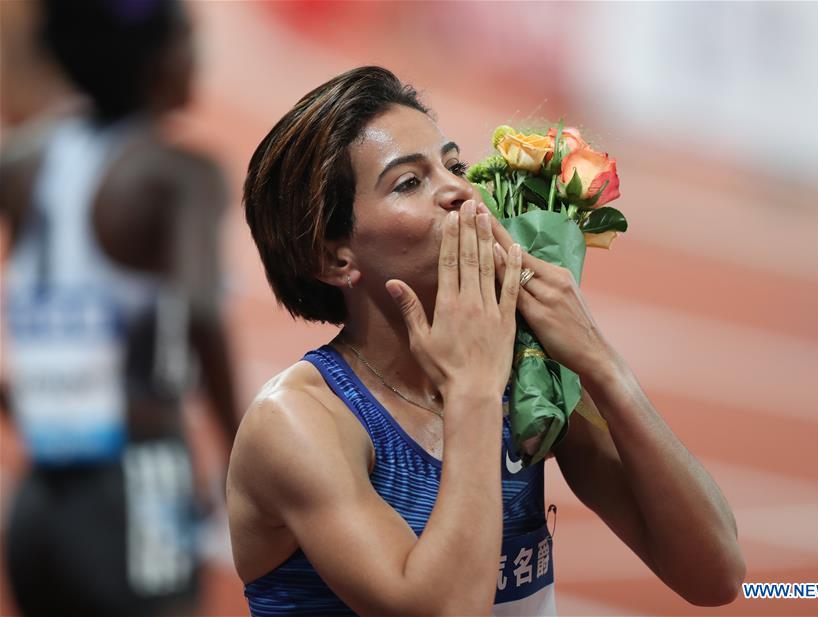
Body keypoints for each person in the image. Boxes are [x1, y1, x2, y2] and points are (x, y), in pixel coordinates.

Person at [228, 66, 745, 616]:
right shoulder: (300, 423)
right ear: (334, 258)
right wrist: (472, 389)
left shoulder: (527, 377)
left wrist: (601, 364)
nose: (456, 191)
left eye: (453, 166)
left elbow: (714, 573)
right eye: (409, 182)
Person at [0, 1, 240, 615]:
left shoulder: (22, 162)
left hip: (36, 498)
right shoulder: (180, 173)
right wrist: (242, 453)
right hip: (140, 478)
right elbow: (200, 311)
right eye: (190, 40)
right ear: (159, 62)